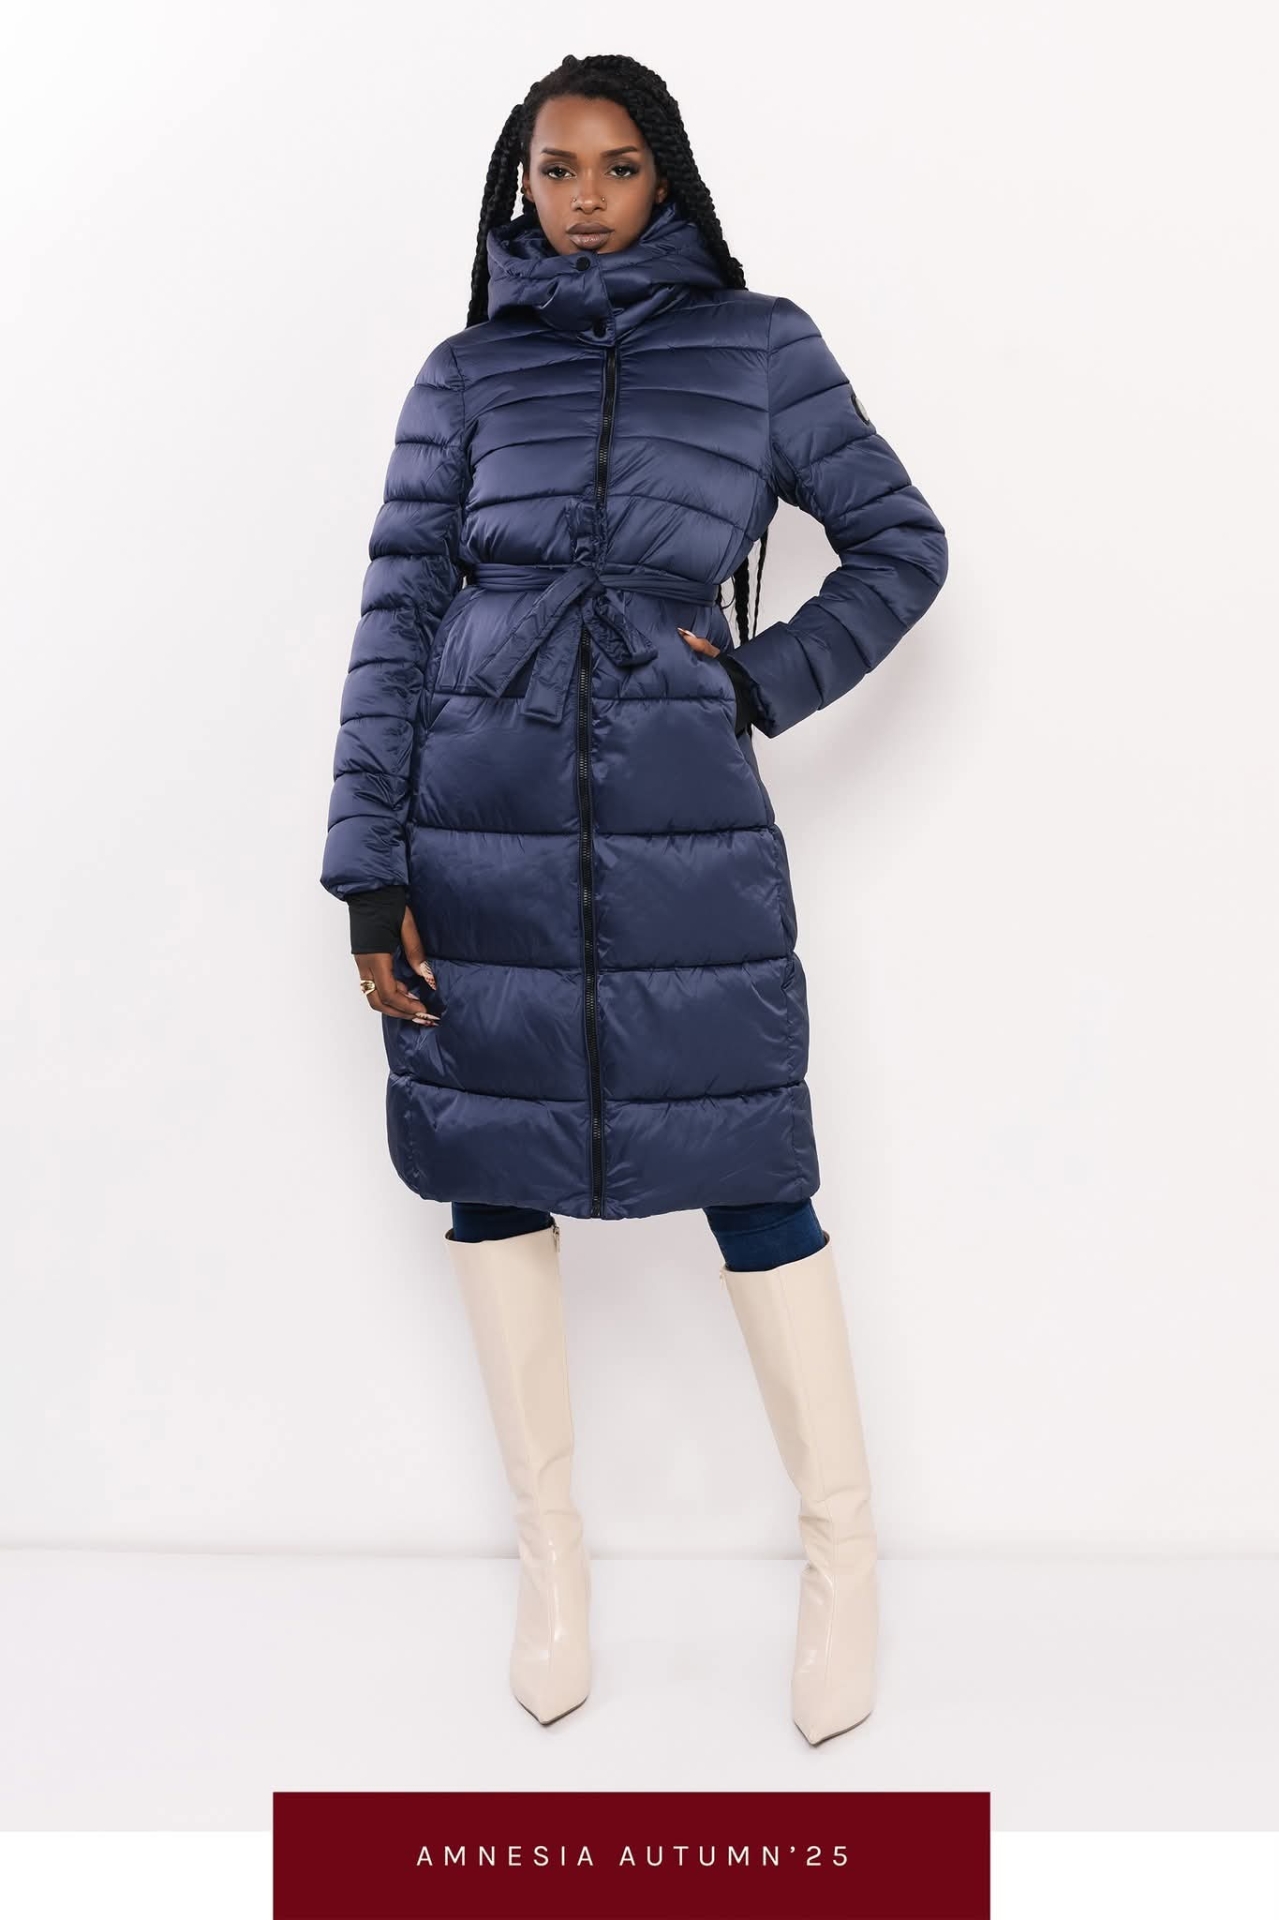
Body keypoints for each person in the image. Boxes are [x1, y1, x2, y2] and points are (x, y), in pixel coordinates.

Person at [319, 52, 948, 1744]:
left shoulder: (760, 347)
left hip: (685, 830)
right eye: (554, 169)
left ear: (665, 176)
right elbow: (398, 621)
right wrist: (370, 869)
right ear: (517, 186)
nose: (582, 199)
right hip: (477, 827)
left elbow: (903, 545)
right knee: (490, 1174)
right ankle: (554, 1571)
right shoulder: (467, 373)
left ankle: (842, 1564)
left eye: (614, 167)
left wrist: (755, 682)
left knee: (755, 1175)